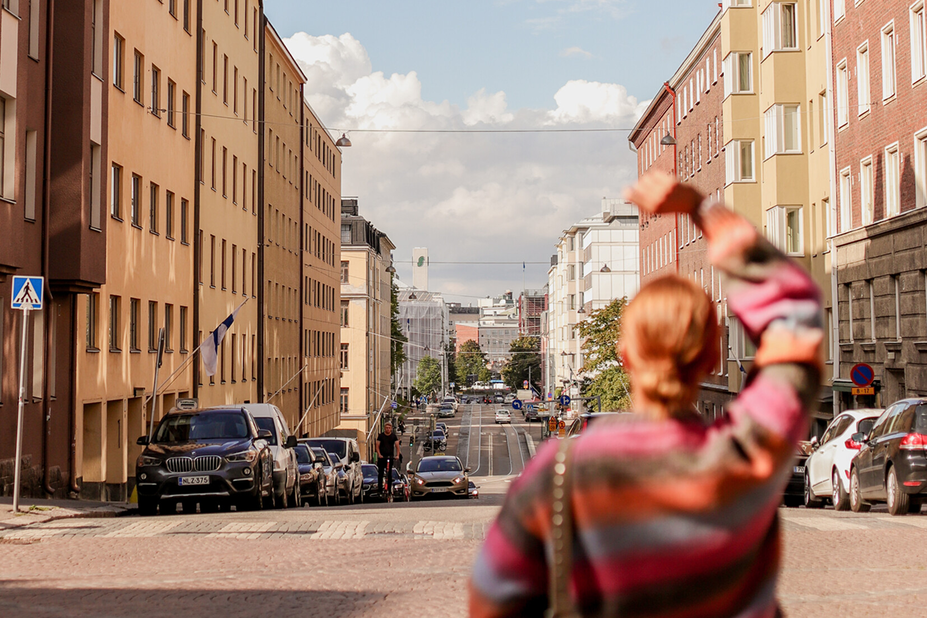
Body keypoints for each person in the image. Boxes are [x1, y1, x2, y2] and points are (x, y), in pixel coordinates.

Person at [469, 172, 823, 617]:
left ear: (624, 354)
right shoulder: (747, 454)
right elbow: (795, 313)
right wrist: (701, 208)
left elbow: (492, 599)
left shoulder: (561, 472)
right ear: (713, 354)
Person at [376, 421, 400, 494]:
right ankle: (380, 489)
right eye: (386, 428)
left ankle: (389, 489)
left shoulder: (393, 436)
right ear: (384, 428)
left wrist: (397, 455)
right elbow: (377, 446)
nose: (388, 429)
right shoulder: (381, 436)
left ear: (391, 429)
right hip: (382, 457)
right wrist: (379, 454)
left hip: (390, 456)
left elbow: (397, 446)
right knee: (380, 473)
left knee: (389, 473)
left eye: (389, 428)